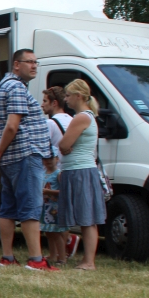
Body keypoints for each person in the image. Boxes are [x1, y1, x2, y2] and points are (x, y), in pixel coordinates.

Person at [0, 49, 55, 271]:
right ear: (16, 64)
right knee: (30, 207)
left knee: (8, 207)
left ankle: (7, 257)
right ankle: (36, 259)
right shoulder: (16, 87)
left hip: (10, 157)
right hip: (25, 153)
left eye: (36, 62)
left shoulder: (2, 86)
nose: (34, 66)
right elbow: (11, 125)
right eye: (29, 62)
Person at [57, 79, 105, 270]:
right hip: (79, 169)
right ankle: (86, 259)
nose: (66, 99)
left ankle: (89, 261)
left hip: (80, 170)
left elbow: (63, 144)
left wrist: (65, 147)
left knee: (87, 218)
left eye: (68, 95)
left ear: (78, 96)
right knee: (87, 217)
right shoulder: (87, 117)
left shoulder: (81, 118)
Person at [40, 152, 67, 265]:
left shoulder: (58, 174)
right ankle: (52, 255)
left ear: (57, 159)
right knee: (48, 232)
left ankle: (62, 257)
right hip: (45, 207)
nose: (48, 161)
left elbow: (64, 191)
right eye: (45, 158)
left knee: (56, 233)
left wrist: (48, 191)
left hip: (55, 208)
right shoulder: (43, 173)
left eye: (51, 158)